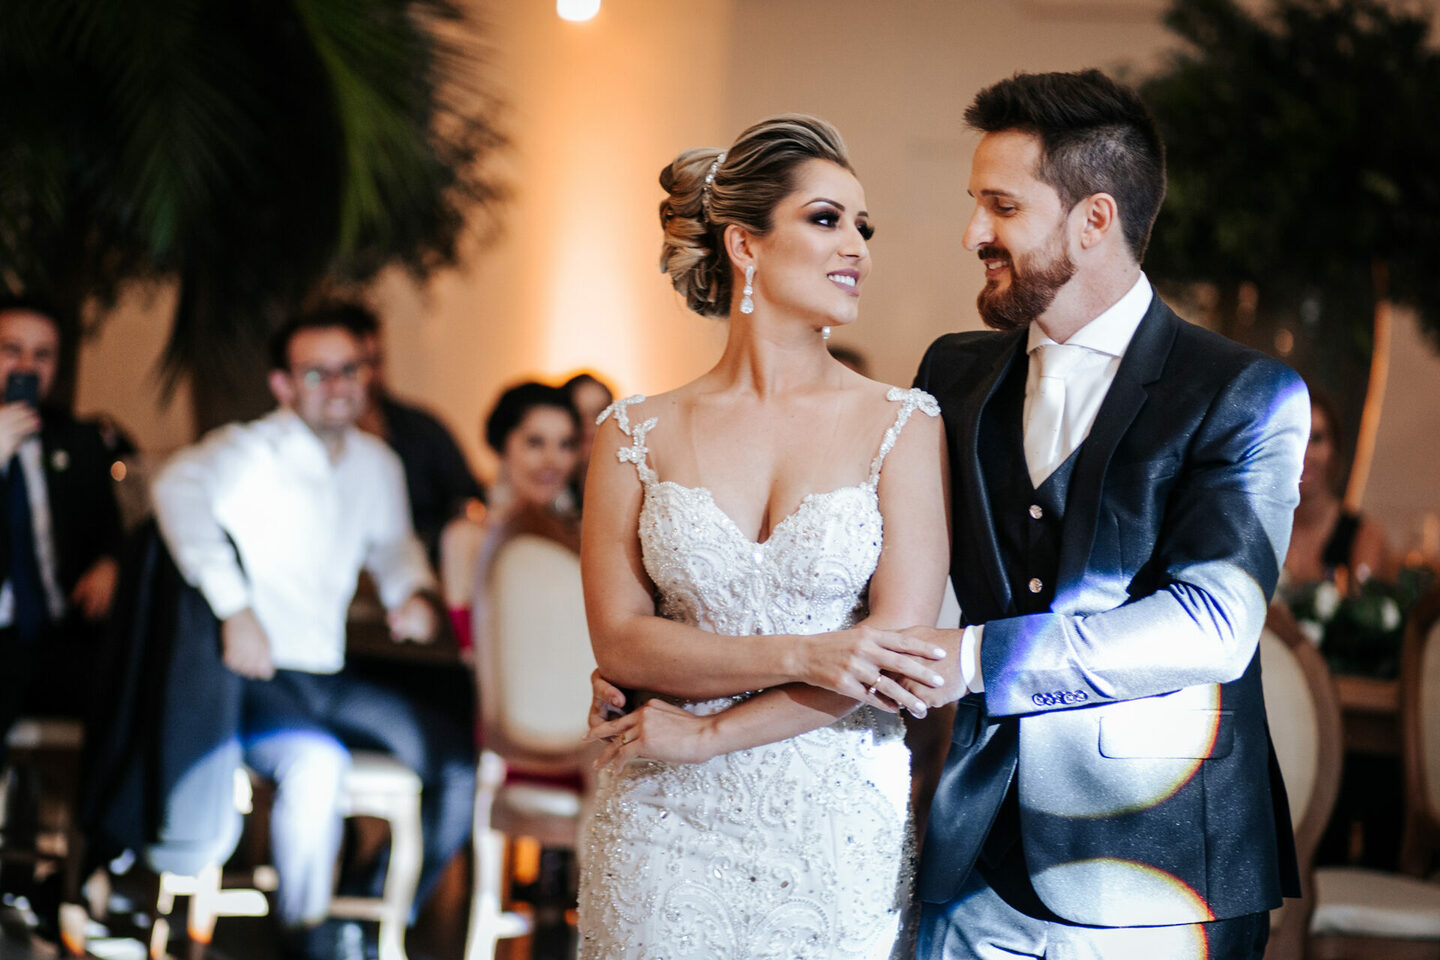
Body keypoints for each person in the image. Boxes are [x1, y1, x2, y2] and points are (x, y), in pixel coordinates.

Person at [903, 70, 1309, 959]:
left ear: (1094, 220)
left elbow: (1211, 623)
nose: (975, 232)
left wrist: (972, 658)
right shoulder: (951, 373)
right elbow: (890, 565)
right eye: (976, 204)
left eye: (1002, 207)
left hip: (1158, 869)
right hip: (970, 856)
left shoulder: (1245, 392)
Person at [578, 115, 952, 960]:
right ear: (745, 245)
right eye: (826, 219)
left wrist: (709, 732)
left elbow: (887, 660)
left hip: (834, 818)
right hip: (659, 817)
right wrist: (809, 652)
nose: (855, 243)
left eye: (863, 226)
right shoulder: (634, 432)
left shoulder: (904, 426)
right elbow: (623, 642)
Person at [151, 306, 476, 960]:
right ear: (283, 384)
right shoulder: (246, 450)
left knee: (458, 762)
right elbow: (172, 488)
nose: (338, 384)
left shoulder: (376, 461)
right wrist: (233, 605)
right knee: (315, 764)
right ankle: (307, 940)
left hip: (330, 673)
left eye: (349, 369)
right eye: (317, 372)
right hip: (256, 678)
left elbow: (393, 547)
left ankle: (374, 902)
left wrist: (408, 593)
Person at [0, 297, 126, 762]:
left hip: (62, 632)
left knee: (134, 693)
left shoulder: (78, 441)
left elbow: (111, 529)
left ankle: (104, 834)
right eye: (11, 350)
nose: (27, 367)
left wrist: (111, 564)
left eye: (43, 354)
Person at [437, 381, 581, 635]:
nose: (552, 460)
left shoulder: (584, 533)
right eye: (535, 443)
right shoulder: (468, 538)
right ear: (501, 445)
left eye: (565, 444)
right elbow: (469, 646)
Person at [348, 304, 484, 564]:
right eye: (353, 367)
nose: (366, 377)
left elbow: (469, 499)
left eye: (375, 363)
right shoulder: (310, 448)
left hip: (426, 569)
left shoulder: (423, 430)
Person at [1283, 389, 1392, 590]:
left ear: (1334, 449)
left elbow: (1363, 615)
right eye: (1297, 439)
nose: (1306, 453)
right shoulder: (1262, 528)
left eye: (1316, 438)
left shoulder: (1362, 536)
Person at [562, 371, 614, 511]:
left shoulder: (625, 483)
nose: (589, 423)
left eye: (599, 413)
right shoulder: (545, 486)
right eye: (578, 414)